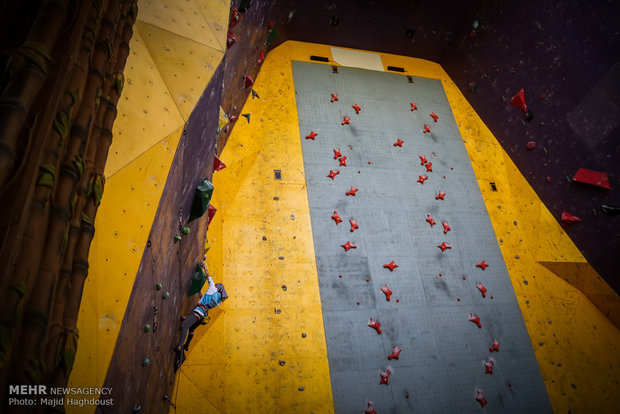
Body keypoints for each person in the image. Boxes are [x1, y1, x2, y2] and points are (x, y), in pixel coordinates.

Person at [176, 257, 227, 353]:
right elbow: (205, 300)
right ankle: (186, 345)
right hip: (203, 315)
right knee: (191, 329)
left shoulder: (213, 289)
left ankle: (180, 346)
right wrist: (199, 292)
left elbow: (208, 276)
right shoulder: (217, 301)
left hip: (198, 312)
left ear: (218, 288)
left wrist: (204, 267)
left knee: (184, 327)